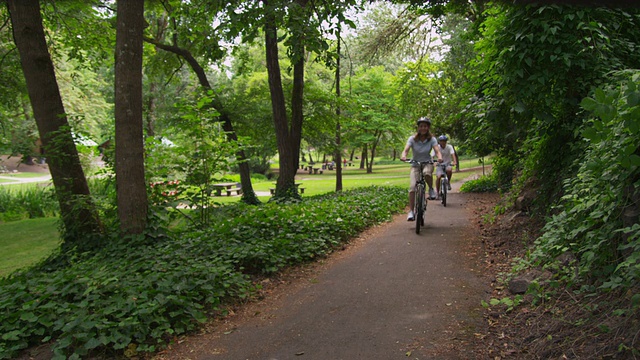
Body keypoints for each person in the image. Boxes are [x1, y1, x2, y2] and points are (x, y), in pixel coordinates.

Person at [400, 117, 443, 221]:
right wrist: (403, 155)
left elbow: (437, 151)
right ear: (418, 128)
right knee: (412, 188)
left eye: (425, 126)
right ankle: (411, 211)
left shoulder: (432, 139)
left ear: (428, 127)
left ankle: (431, 189)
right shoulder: (412, 139)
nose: (423, 128)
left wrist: (440, 157)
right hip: (415, 164)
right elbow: (406, 150)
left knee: (427, 173)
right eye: (421, 126)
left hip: (427, 163)